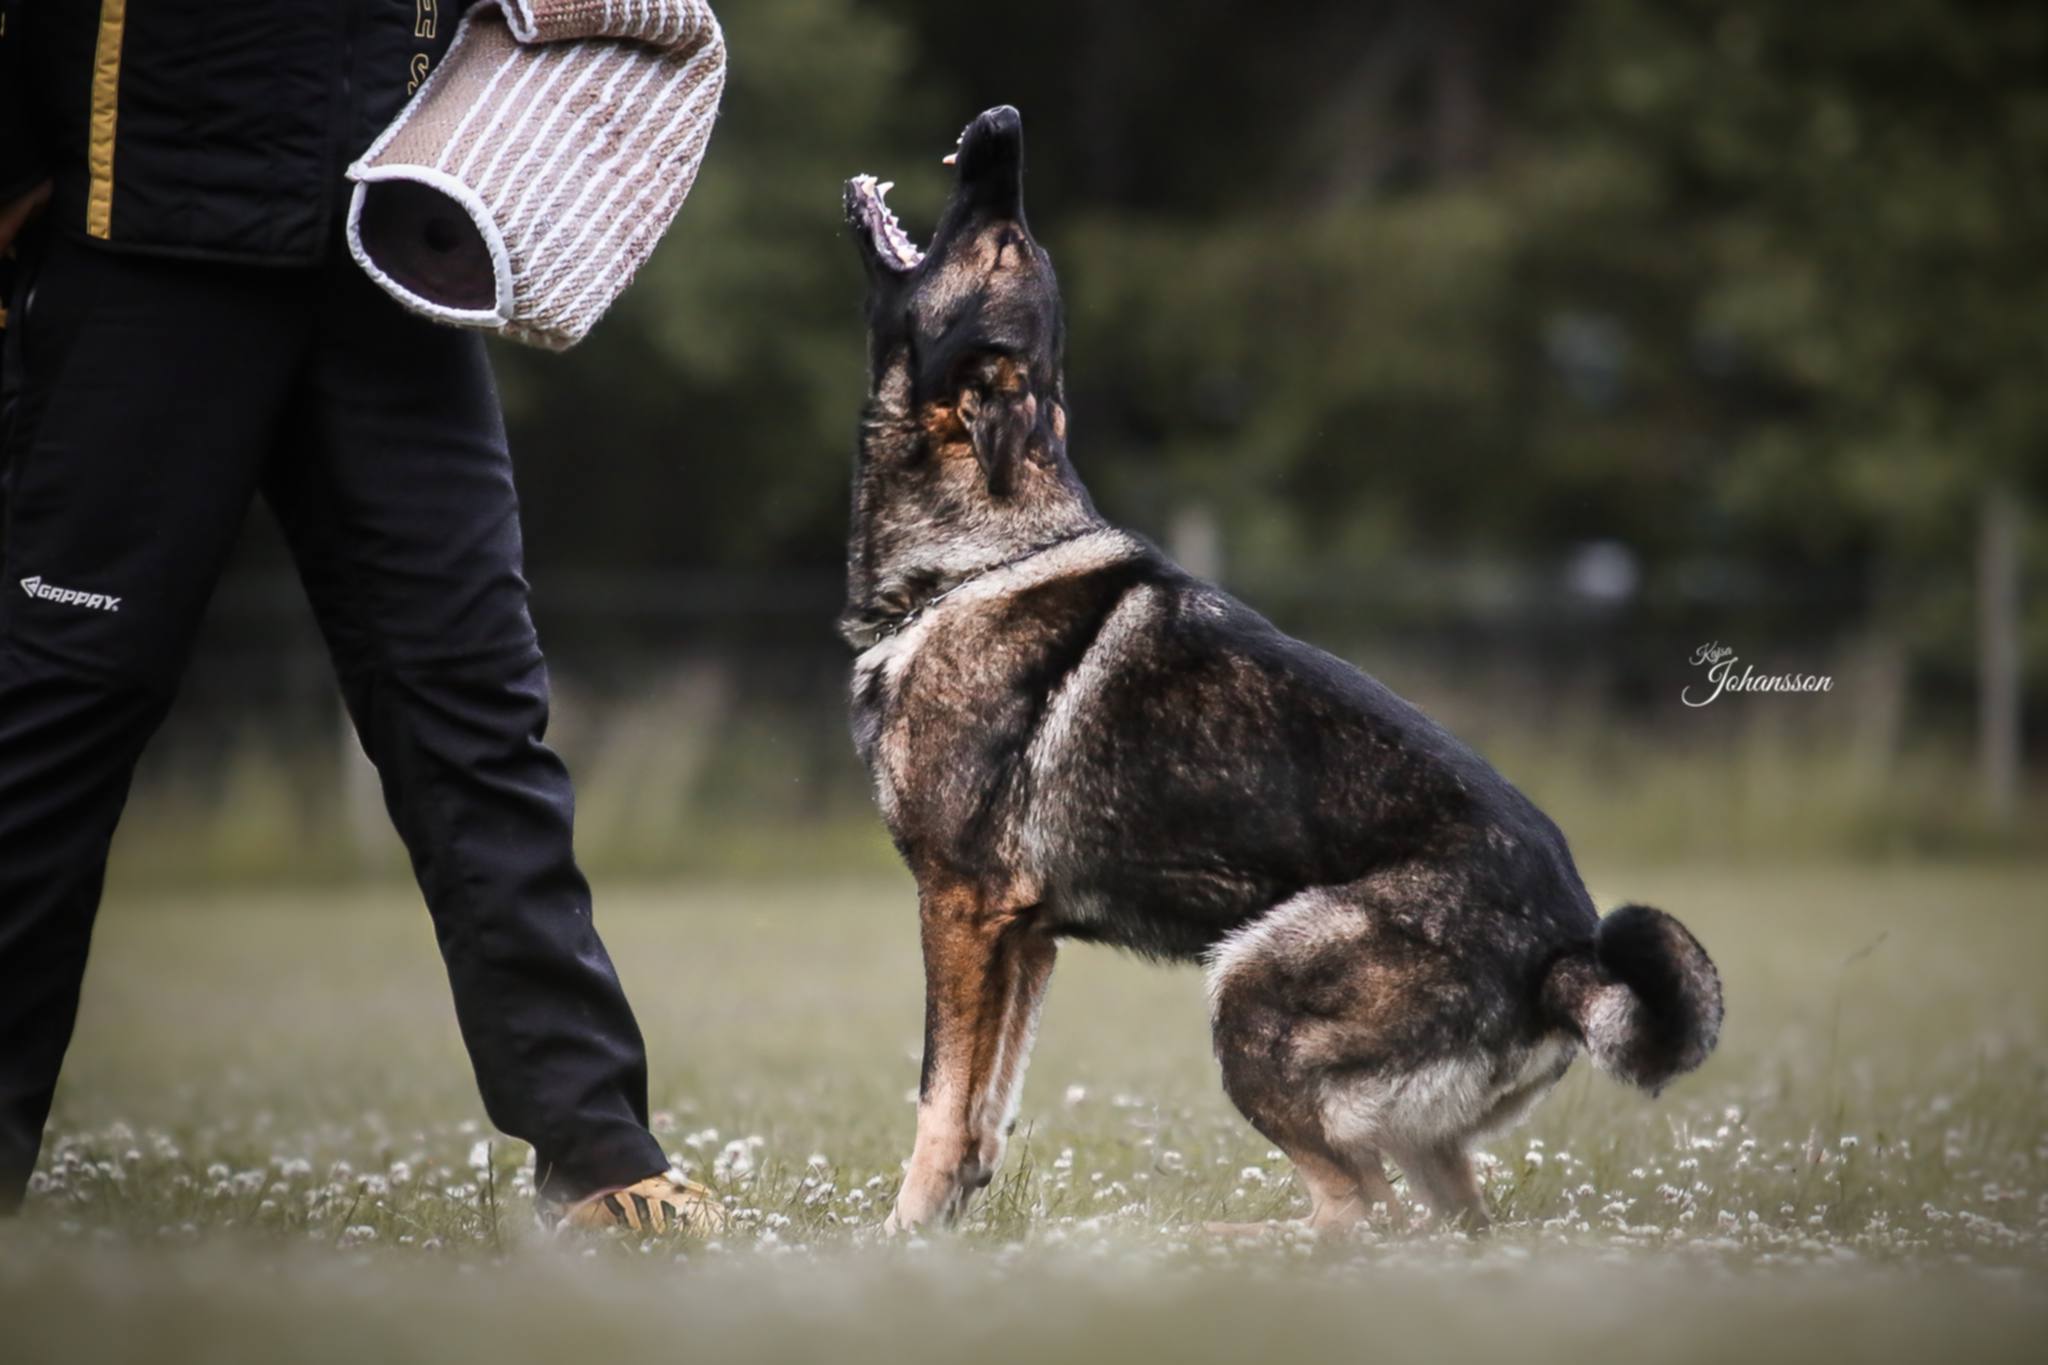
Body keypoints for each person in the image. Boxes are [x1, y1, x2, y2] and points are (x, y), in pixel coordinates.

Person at [0, 0, 720, 1235]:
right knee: (58, 710)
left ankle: (597, 1153)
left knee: (475, 703)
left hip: (386, 241)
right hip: (145, 245)